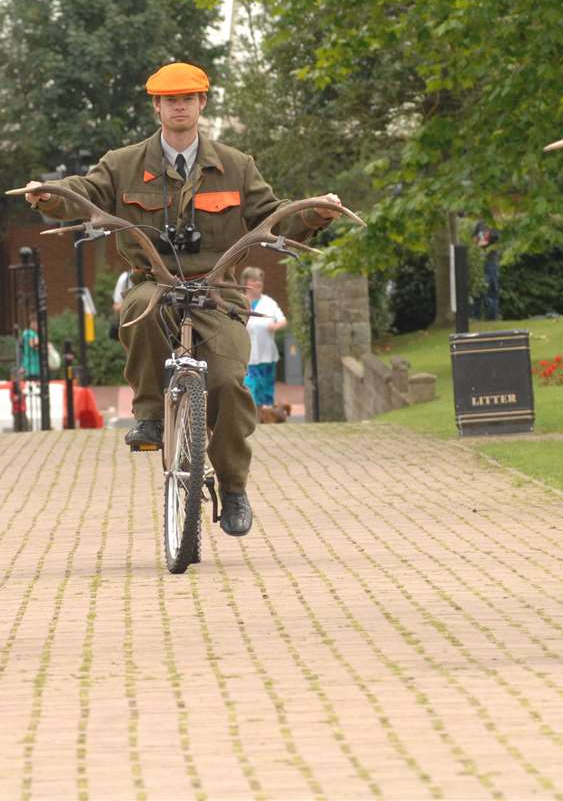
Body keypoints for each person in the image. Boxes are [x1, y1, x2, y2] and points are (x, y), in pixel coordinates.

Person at [21, 62, 340, 537]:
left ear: (202, 103)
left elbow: (271, 215)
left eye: (188, 97)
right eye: (169, 99)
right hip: (155, 280)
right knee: (140, 307)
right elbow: (84, 193)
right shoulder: (122, 163)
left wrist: (313, 214)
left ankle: (232, 488)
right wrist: (48, 197)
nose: (179, 105)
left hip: (219, 289)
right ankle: (150, 415)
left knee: (231, 383)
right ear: (156, 106)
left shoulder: (236, 165)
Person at [241, 266, 287, 409]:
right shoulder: (239, 301)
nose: (257, 283)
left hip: (267, 355)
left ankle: (265, 420)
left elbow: (283, 320)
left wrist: (276, 326)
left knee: (266, 390)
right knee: (249, 388)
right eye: (253, 280)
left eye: (259, 280)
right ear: (245, 282)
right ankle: (251, 417)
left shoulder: (269, 302)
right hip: (246, 356)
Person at [472, 220, 501, 321]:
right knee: (477, 291)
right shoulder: (479, 224)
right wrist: (479, 242)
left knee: (491, 290)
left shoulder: (495, 224)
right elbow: (474, 239)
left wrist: (480, 242)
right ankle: (476, 317)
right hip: (478, 262)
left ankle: (491, 318)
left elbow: (489, 241)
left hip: (491, 262)